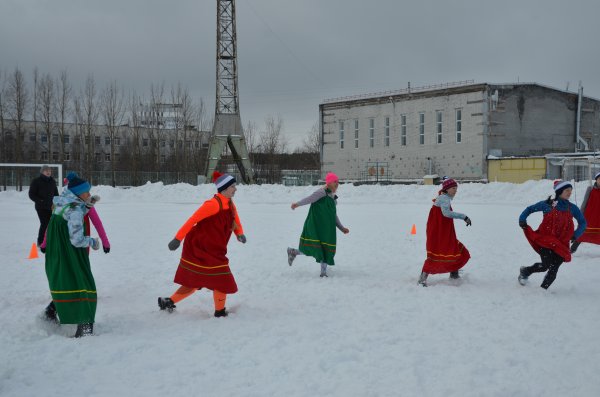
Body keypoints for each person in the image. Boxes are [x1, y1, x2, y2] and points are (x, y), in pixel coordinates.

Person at [158, 172, 246, 317]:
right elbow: (192, 219)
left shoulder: (229, 203)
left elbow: (235, 219)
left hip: (215, 248)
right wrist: (178, 239)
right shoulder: (212, 204)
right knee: (218, 279)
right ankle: (220, 312)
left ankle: (168, 301)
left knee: (198, 280)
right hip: (200, 248)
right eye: (232, 186)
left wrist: (240, 234)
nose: (235, 189)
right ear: (224, 189)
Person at [43, 174, 100, 338]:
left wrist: (87, 206)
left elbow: (69, 216)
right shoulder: (74, 210)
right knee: (84, 284)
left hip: (58, 252)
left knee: (65, 283)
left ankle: (50, 312)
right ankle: (85, 325)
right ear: (77, 193)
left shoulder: (62, 204)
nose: (89, 195)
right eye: (86, 193)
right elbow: (77, 240)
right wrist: (92, 242)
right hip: (72, 254)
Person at [518, 180, 586, 289]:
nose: (570, 193)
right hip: (546, 240)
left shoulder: (572, 208)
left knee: (554, 269)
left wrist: (576, 234)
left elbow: (583, 222)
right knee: (546, 265)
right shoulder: (548, 205)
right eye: (567, 190)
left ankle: (543, 290)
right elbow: (529, 209)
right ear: (559, 191)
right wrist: (522, 219)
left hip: (562, 243)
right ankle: (526, 271)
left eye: (571, 190)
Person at [286, 172, 350, 277]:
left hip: (328, 229)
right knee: (314, 248)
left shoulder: (333, 198)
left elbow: (333, 215)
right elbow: (309, 199)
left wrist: (342, 228)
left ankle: (322, 272)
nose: (337, 184)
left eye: (338, 182)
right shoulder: (321, 192)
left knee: (325, 250)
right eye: (335, 182)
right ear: (329, 183)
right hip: (316, 226)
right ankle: (293, 252)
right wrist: (297, 204)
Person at [40, 172, 110, 254]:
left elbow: (51, 223)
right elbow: (97, 223)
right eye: (87, 191)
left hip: (63, 240)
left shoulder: (61, 202)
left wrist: (44, 244)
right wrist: (105, 243)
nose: (89, 194)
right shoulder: (79, 204)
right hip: (79, 237)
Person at [418, 178, 471, 287]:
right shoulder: (444, 198)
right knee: (440, 253)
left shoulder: (443, 197)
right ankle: (422, 279)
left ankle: (454, 273)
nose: (455, 191)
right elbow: (446, 213)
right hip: (440, 232)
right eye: (453, 188)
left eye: (456, 188)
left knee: (453, 250)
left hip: (441, 230)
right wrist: (464, 217)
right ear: (447, 189)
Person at [28, 165, 59, 246]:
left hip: (51, 207)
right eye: (46, 170)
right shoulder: (36, 181)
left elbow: (56, 193)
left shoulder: (52, 181)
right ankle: (40, 242)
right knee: (44, 223)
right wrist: (40, 201)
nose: (48, 172)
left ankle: (49, 240)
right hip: (41, 207)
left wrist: (57, 202)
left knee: (51, 224)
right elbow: (31, 194)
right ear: (42, 172)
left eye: (49, 170)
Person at [570, 172, 600, 253]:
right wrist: (580, 214)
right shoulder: (590, 189)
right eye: (599, 179)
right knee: (583, 233)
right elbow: (585, 202)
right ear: (596, 180)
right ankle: (573, 248)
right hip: (589, 215)